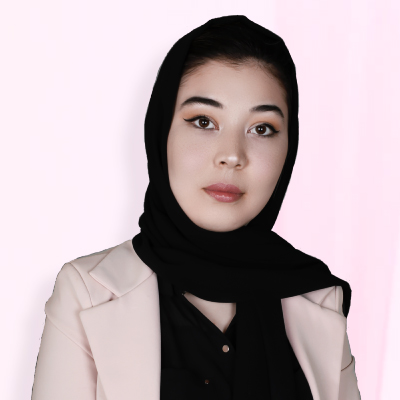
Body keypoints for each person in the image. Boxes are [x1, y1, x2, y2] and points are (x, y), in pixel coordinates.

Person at [31, 15, 361, 400]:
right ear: (161, 132)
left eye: (262, 128)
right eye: (203, 121)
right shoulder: (86, 292)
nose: (232, 155)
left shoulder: (319, 298)